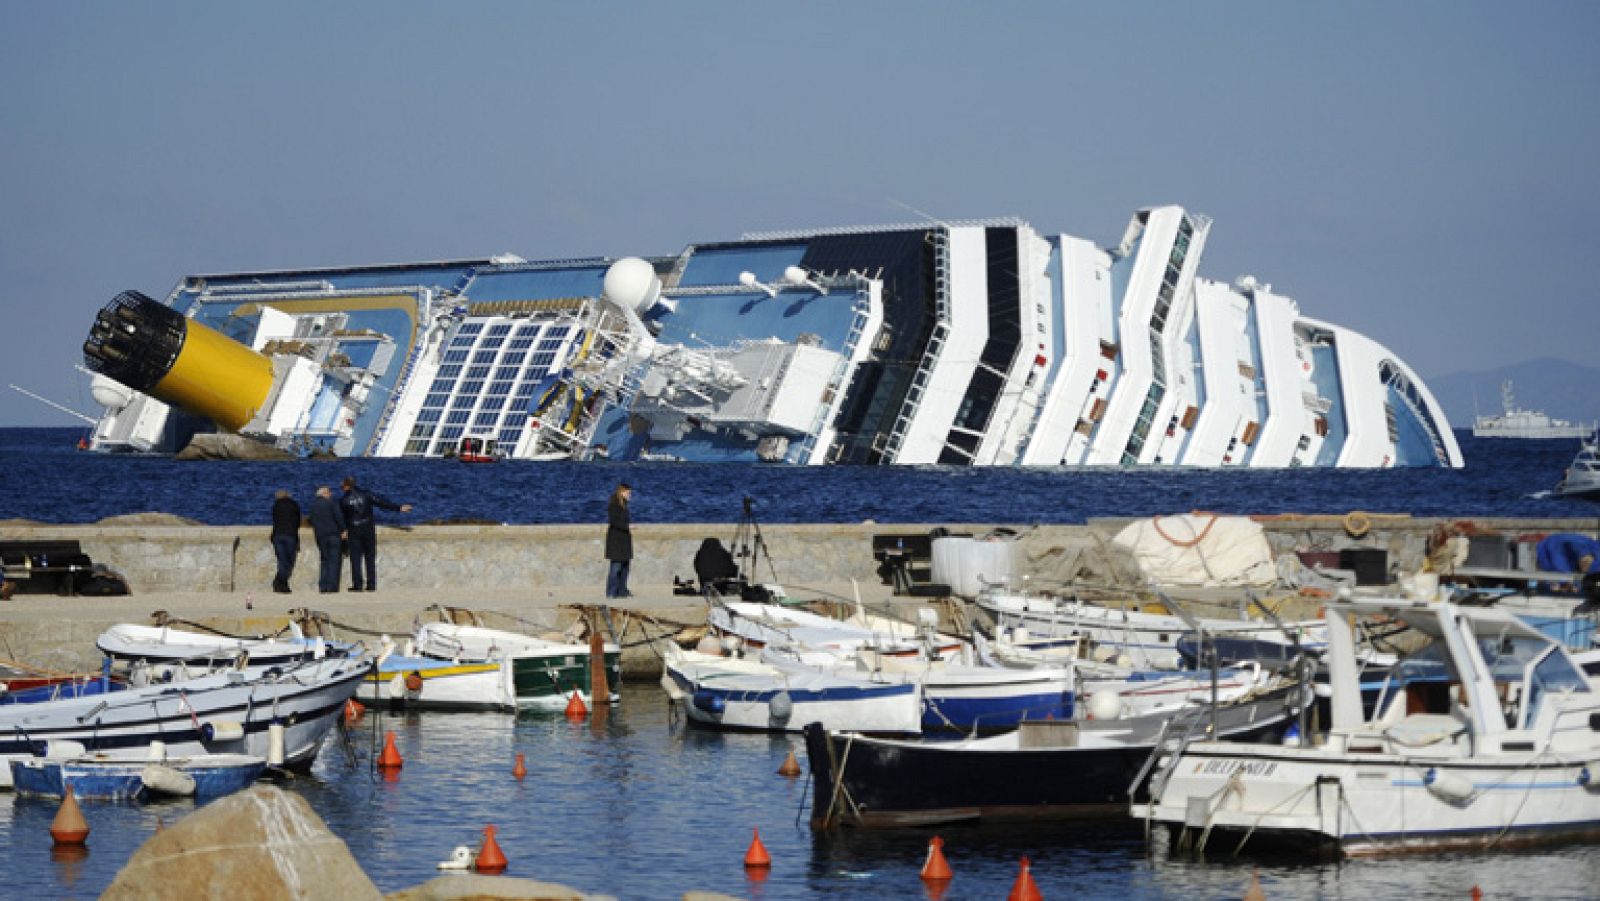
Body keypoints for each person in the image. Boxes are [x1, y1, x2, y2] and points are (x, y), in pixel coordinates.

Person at [339, 476, 413, 592]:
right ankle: (371, 584)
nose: (341, 488)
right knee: (370, 557)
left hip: (354, 530)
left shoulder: (344, 500)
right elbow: (382, 502)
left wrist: (343, 529)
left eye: (342, 486)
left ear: (347, 485)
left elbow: (341, 518)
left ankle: (358, 585)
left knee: (355, 558)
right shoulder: (366, 495)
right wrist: (399, 508)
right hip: (368, 529)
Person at [307, 485, 346, 593]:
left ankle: (323, 586)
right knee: (334, 561)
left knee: (324, 561)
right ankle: (332, 587)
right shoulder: (331, 503)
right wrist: (343, 529)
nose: (330, 494)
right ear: (324, 494)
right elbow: (339, 517)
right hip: (333, 535)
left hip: (320, 536)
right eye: (329, 492)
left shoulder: (313, 506)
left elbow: (311, 520)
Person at [605, 482, 633, 598]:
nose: (630, 495)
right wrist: (627, 526)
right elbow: (614, 521)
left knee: (625, 567)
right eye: (628, 493)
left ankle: (622, 590)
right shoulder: (614, 505)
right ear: (622, 492)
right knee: (616, 567)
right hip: (616, 540)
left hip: (624, 540)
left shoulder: (624, 505)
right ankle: (611, 591)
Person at [269, 489, 302, 594]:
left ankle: (281, 584)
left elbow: (275, 520)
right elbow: (298, 520)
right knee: (288, 561)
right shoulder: (294, 505)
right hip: (290, 535)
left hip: (277, 535)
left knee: (282, 560)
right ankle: (279, 582)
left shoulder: (275, 506)